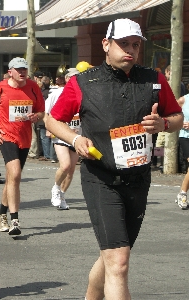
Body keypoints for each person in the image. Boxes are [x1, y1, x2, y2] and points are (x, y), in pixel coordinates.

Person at [46, 19, 182, 299]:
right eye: (123, 44)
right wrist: (75, 139)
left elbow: (177, 116)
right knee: (119, 263)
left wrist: (163, 125)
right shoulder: (82, 82)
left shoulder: (153, 79)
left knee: (114, 257)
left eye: (135, 44)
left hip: (138, 180)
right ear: (106, 44)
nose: (130, 50)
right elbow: (52, 120)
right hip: (101, 179)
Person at [0, 57, 45, 235]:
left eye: (25, 69)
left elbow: (41, 111)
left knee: (12, 178)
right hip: (6, 136)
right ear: (10, 71)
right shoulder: (0, 87)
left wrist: (36, 117)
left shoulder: (33, 87)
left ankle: (1, 213)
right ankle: (15, 220)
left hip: (24, 137)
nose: (22, 72)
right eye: (18, 69)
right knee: (15, 173)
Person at [47, 68, 81, 209]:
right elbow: (47, 112)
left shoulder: (84, 93)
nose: (76, 80)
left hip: (78, 135)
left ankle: (62, 194)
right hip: (61, 135)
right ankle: (56, 188)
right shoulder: (57, 93)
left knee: (71, 169)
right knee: (65, 165)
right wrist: (49, 128)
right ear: (67, 79)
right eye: (73, 77)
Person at [176, 93, 189, 209]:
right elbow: (171, 116)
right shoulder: (183, 100)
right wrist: (180, 123)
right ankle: (183, 194)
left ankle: (182, 193)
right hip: (186, 137)